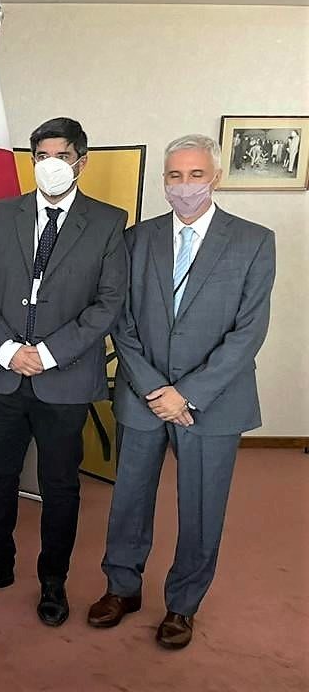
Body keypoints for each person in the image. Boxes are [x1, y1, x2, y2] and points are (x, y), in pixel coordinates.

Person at [88, 134, 275, 650]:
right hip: (143, 396)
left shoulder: (254, 241)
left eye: (196, 175)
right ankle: (121, 587)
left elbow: (249, 331)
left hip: (213, 403)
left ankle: (183, 604)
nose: (184, 185)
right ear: (163, 181)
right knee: (128, 499)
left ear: (215, 177)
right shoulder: (135, 239)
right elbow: (122, 320)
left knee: (201, 507)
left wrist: (186, 394)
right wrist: (155, 388)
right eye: (174, 175)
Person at [0, 117, 127, 626]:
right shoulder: (1, 215)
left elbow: (108, 304)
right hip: (2, 373)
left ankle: (53, 579)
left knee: (60, 485)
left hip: (64, 378)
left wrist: (48, 354)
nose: (50, 165)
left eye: (62, 156)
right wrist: (10, 350)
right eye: (41, 156)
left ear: (81, 162)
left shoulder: (107, 222)